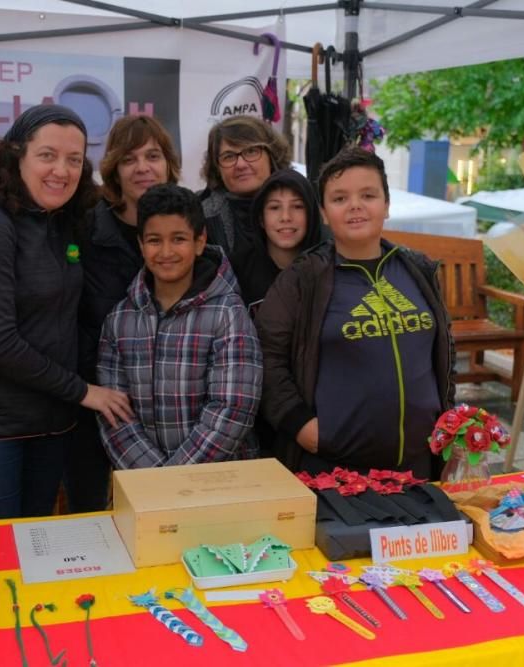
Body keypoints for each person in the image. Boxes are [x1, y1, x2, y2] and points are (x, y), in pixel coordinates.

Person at [0, 104, 132, 521]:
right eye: (47, 155)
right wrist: (84, 391)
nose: (60, 170)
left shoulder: (64, 221)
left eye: (74, 160)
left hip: (50, 419)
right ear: (16, 155)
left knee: (37, 544)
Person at [256, 147, 455, 479]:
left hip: (420, 466)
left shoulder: (418, 270)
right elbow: (266, 356)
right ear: (323, 213)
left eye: (368, 195)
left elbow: (444, 350)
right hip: (336, 471)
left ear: (387, 205)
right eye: (339, 198)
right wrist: (301, 425)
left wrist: (448, 424)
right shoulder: (303, 279)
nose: (355, 206)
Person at [97, 183, 263, 468]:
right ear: (140, 244)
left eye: (178, 239)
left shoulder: (228, 313)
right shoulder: (119, 319)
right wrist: (153, 476)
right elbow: (114, 411)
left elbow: (233, 408)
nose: (166, 251)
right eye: (154, 240)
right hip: (145, 485)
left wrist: (175, 476)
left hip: (220, 484)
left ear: (199, 241)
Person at [66, 115, 181, 510]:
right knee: (91, 513)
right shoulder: (84, 226)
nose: (143, 167)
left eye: (153, 155)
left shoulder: (190, 222)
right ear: (114, 168)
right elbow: (26, 259)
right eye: (130, 159)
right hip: (98, 395)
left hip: (171, 398)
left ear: (169, 164)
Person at [229, 168, 328, 315]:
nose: (286, 217)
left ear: (311, 215)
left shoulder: (329, 269)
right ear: (261, 218)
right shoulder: (235, 271)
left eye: (297, 206)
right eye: (274, 207)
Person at [199, 115, 291, 254]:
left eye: (251, 151)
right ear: (217, 168)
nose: (241, 164)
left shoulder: (303, 206)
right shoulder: (200, 216)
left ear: (271, 156)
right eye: (229, 156)